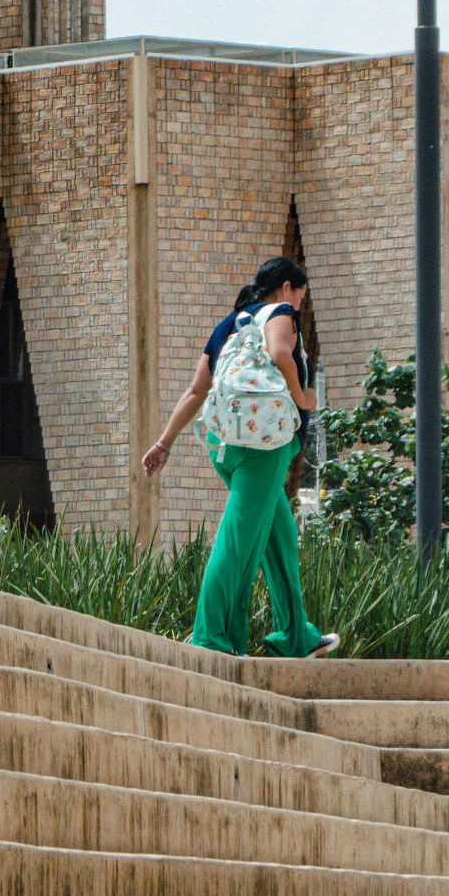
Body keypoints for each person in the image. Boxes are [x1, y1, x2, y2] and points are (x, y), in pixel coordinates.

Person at [139, 256, 337, 657]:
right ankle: (210, 639)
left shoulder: (229, 325)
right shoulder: (280, 313)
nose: (298, 305)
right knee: (237, 542)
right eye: (299, 296)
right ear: (285, 288)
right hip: (263, 449)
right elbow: (282, 353)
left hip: (223, 444)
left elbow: (197, 390)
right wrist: (304, 399)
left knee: (279, 539)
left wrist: (164, 443)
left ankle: (296, 636)